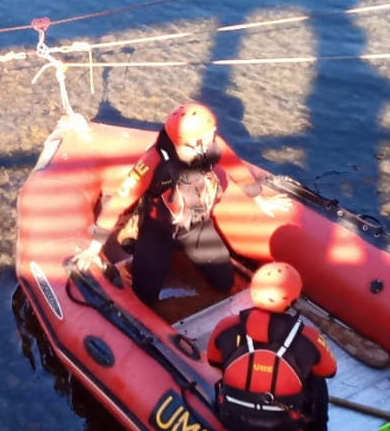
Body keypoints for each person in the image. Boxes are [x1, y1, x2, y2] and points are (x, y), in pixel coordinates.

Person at [70, 103, 268, 309]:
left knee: (224, 282)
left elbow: (235, 167)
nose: (214, 136)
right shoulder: (152, 162)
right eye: (210, 134)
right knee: (144, 295)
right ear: (192, 142)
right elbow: (118, 202)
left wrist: (259, 198)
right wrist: (93, 249)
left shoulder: (212, 147)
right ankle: (138, 248)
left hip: (196, 226)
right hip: (157, 231)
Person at [205, 261, 338, 431]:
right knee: (317, 378)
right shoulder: (308, 337)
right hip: (285, 426)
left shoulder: (226, 326)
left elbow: (213, 360)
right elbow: (329, 370)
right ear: (293, 299)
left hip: (231, 418)